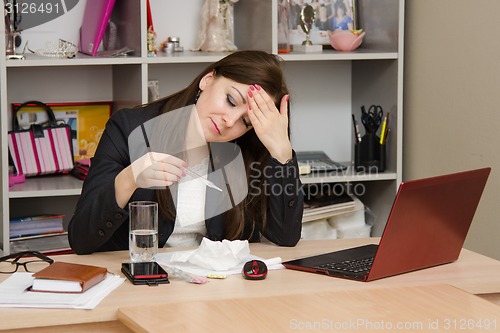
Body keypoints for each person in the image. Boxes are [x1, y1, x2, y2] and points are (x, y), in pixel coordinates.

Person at [68, 50, 304, 254]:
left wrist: (282, 152)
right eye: (231, 100)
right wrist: (129, 179)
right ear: (207, 80)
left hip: (212, 289)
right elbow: (81, 239)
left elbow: (285, 236)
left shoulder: (245, 150)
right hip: (138, 282)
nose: (230, 121)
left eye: (247, 121)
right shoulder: (130, 128)